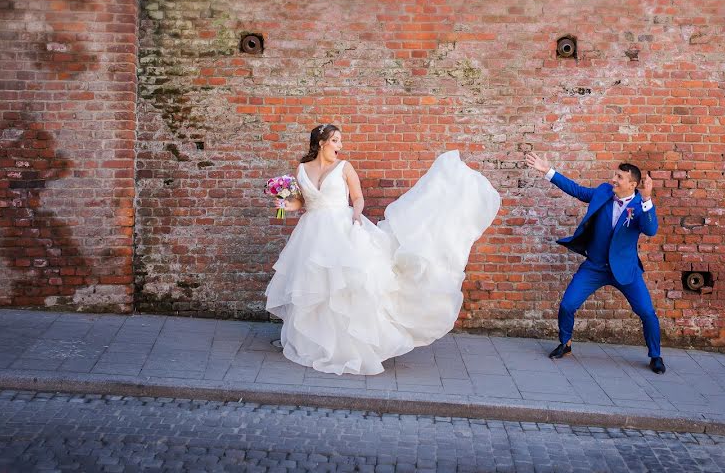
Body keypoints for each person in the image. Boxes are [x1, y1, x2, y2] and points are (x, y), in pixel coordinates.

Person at [265, 124, 501, 375]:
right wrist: (285, 205)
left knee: (345, 287)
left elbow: (357, 198)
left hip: (342, 230)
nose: (340, 146)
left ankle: (347, 346)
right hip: (311, 233)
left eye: (340, 141)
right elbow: (302, 201)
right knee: (315, 288)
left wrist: (356, 215)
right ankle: (313, 343)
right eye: (335, 141)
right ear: (321, 142)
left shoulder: (345, 167)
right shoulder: (302, 169)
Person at [525, 153, 666, 374]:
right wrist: (548, 171)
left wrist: (647, 200)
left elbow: (650, 230)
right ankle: (566, 343)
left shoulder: (640, 206)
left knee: (647, 312)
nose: (614, 179)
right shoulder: (603, 192)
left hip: (625, 270)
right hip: (595, 266)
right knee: (567, 305)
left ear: (632, 183)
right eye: (615, 175)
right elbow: (577, 190)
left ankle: (655, 356)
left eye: (619, 177)